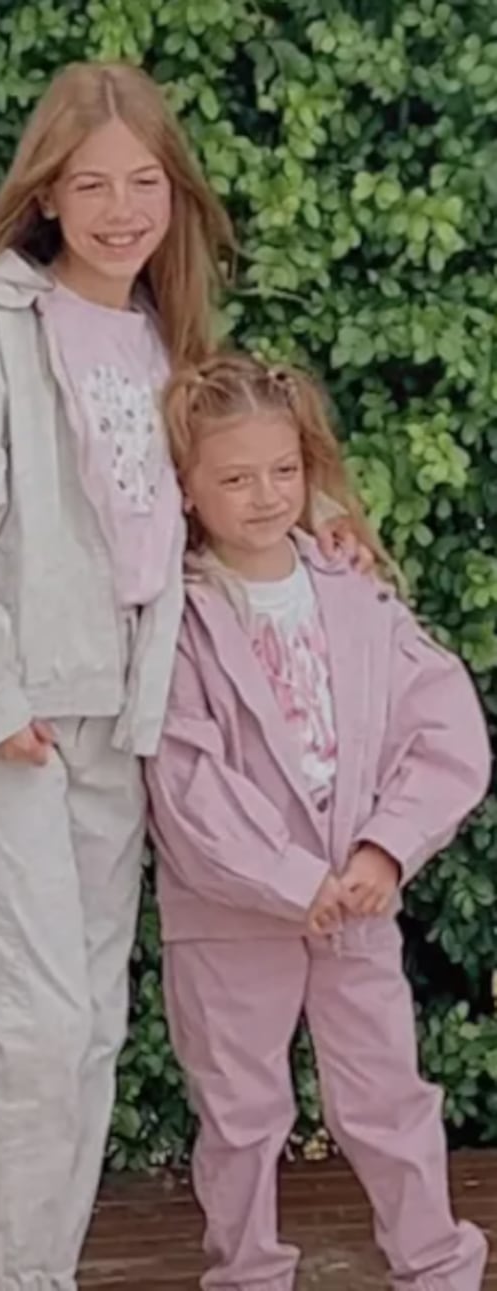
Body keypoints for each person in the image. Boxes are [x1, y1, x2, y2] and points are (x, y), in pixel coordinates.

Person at [0, 62, 372, 1291]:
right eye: (87, 183)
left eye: (141, 181)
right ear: (44, 194)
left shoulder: (162, 338)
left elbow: (189, 517)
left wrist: (319, 543)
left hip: (118, 724)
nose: (116, 208)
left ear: (174, 194)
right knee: (35, 1030)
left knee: (87, 1033)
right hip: (11, 722)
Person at [146, 352, 491, 1291]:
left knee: (387, 1095)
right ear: (185, 488)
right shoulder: (176, 619)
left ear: (310, 467)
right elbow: (188, 781)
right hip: (230, 917)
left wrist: (384, 848)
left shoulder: (356, 592)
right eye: (233, 477)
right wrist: (294, 882)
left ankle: (436, 1266)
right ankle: (248, 1273)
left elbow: (444, 725)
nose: (264, 496)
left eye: (283, 471)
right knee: (240, 1111)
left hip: (362, 896)